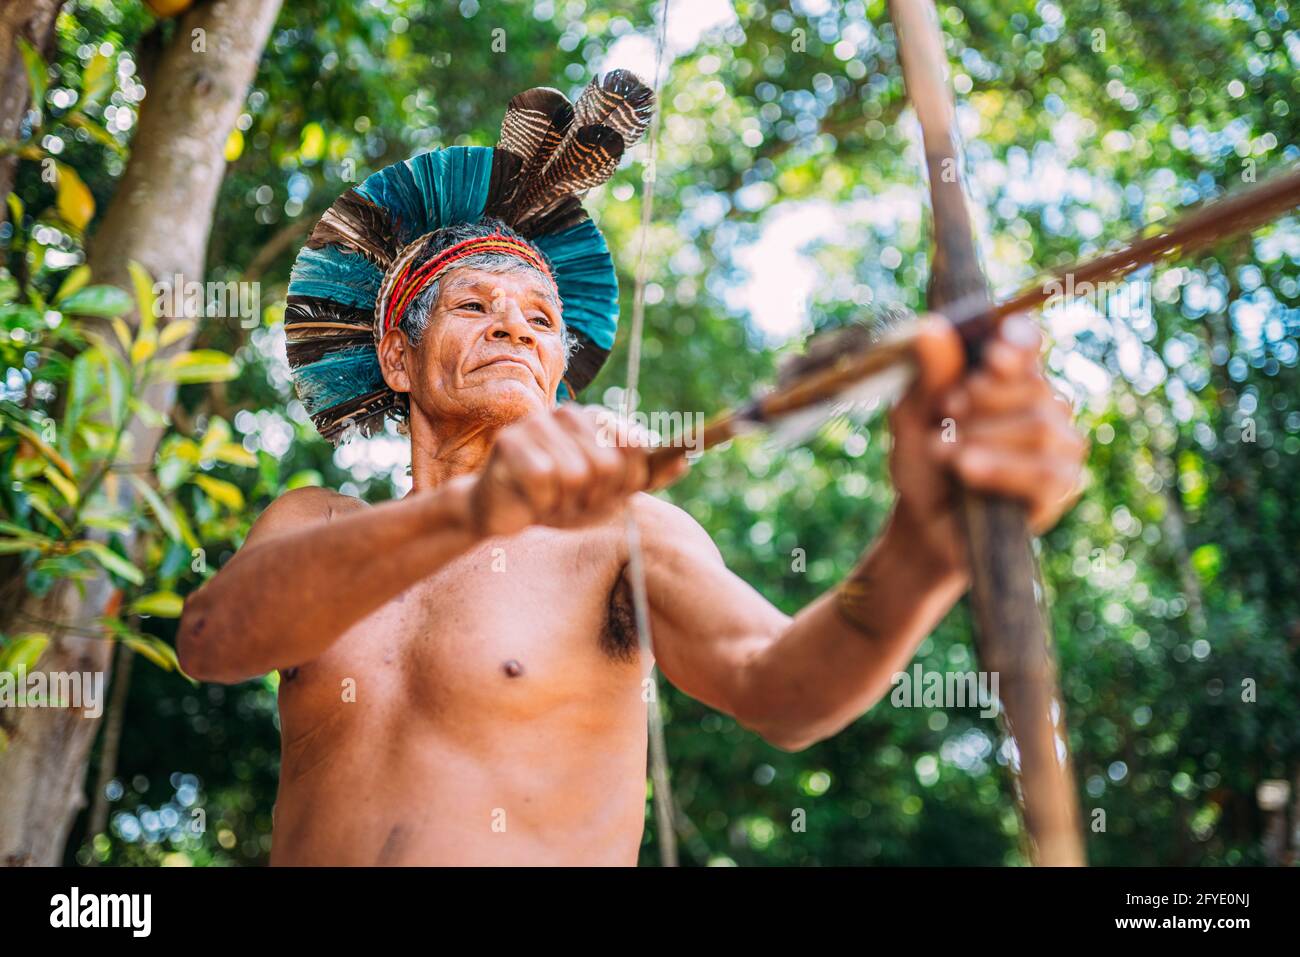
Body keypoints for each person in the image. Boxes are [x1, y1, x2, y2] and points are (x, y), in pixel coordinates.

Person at [178, 73, 1086, 865]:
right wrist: (470, 515)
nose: (515, 327)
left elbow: (779, 683)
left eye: (541, 319)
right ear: (397, 359)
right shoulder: (313, 523)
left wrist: (924, 549)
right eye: (474, 303)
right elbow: (213, 640)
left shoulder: (619, 530)